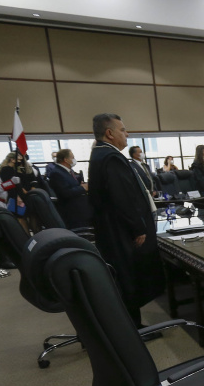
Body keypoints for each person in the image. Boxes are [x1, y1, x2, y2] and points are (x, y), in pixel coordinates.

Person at [87, 113, 164, 330]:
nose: (127, 133)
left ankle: (131, 324)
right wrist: (137, 228)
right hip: (120, 231)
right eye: (122, 130)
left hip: (111, 229)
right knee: (128, 278)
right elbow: (123, 197)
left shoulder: (101, 154)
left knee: (125, 278)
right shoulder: (111, 158)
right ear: (109, 134)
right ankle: (133, 328)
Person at [47, 148, 91, 229]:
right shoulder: (57, 173)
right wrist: (83, 188)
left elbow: (71, 186)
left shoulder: (67, 171)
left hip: (80, 207)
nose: (74, 160)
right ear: (66, 160)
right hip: (73, 211)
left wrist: (80, 186)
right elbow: (65, 192)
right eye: (72, 157)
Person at [0, 151, 37, 229]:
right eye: (18, 160)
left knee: (24, 216)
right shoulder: (7, 170)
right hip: (15, 197)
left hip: (18, 195)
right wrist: (18, 195)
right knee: (20, 218)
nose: (20, 162)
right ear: (12, 159)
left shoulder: (11, 169)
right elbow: (10, 185)